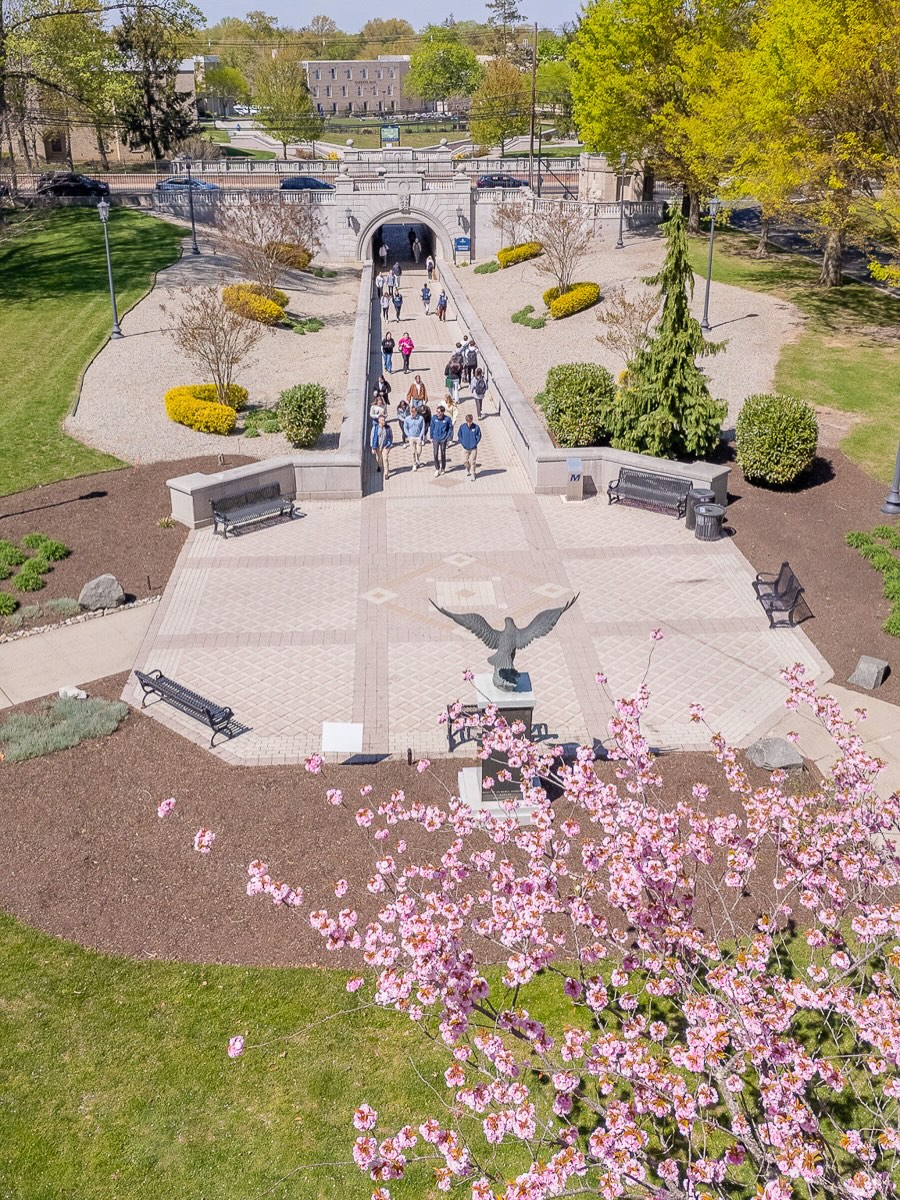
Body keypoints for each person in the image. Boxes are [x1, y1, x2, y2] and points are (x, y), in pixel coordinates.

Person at [457, 412, 481, 481]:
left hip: (473, 448)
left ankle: (473, 474)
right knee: (464, 461)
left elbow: (479, 436)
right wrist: (462, 442)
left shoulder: (476, 427)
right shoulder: (462, 427)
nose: (469, 423)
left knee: (472, 461)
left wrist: (475, 442)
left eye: (470, 422)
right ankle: (468, 468)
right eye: (468, 422)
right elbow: (459, 435)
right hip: (465, 447)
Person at [430, 405, 453, 476]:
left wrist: (447, 437)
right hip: (435, 438)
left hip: (443, 439)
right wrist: (431, 437)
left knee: (443, 453)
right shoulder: (434, 418)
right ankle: (437, 468)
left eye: (439, 412)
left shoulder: (447, 419)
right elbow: (431, 427)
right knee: (435, 453)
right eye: (437, 411)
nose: (437, 413)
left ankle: (443, 468)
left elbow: (450, 428)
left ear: (443, 412)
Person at [403, 404, 425, 469]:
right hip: (411, 437)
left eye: (413, 412)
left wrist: (420, 435)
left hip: (418, 437)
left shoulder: (421, 418)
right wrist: (408, 435)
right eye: (411, 412)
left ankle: (417, 458)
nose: (412, 414)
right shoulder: (407, 419)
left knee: (419, 451)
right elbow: (405, 428)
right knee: (413, 452)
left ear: (416, 412)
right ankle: (414, 464)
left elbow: (423, 427)